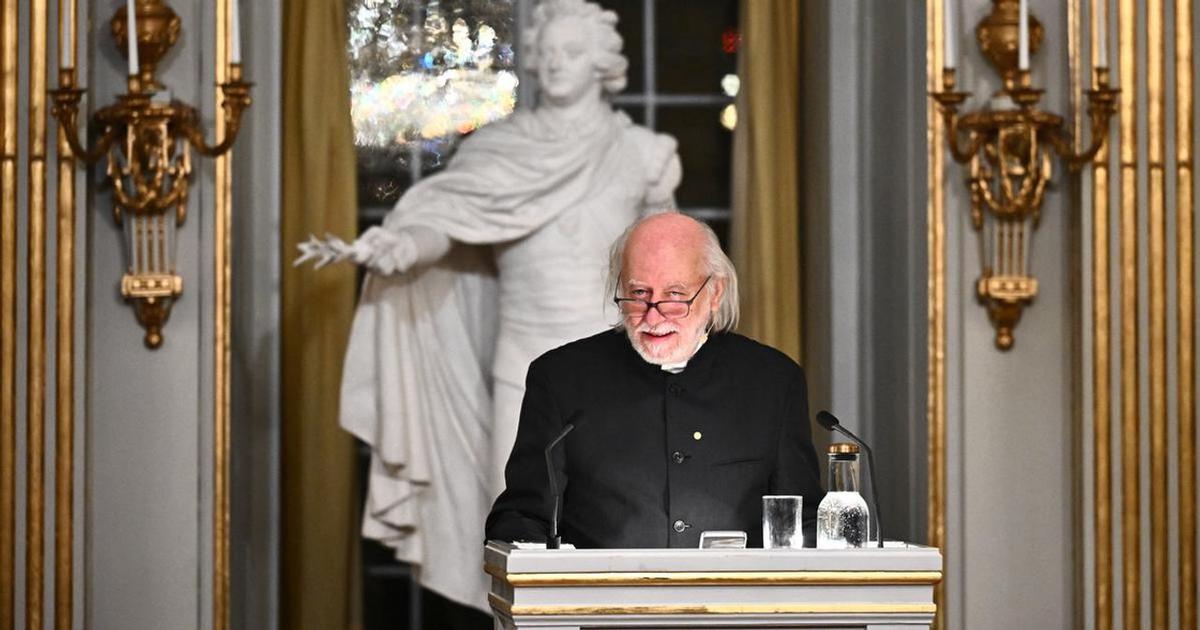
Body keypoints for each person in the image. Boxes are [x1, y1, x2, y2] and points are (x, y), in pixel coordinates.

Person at [324, 0, 681, 612]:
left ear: (600, 62)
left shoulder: (644, 154)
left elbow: (669, 265)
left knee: (619, 530)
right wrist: (404, 244)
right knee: (518, 535)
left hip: (619, 367)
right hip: (520, 363)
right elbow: (449, 222)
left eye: (570, 52)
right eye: (545, 52)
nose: (554, 63)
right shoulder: (498, 150)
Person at [486, 213, 824, 548]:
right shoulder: (560, 378)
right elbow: (522, 516)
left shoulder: (773, 382)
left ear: (715, 293)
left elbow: (802, 521)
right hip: (601, 601)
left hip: (733, 601)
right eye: (638, 293)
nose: (652, 316)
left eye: (675, 295)